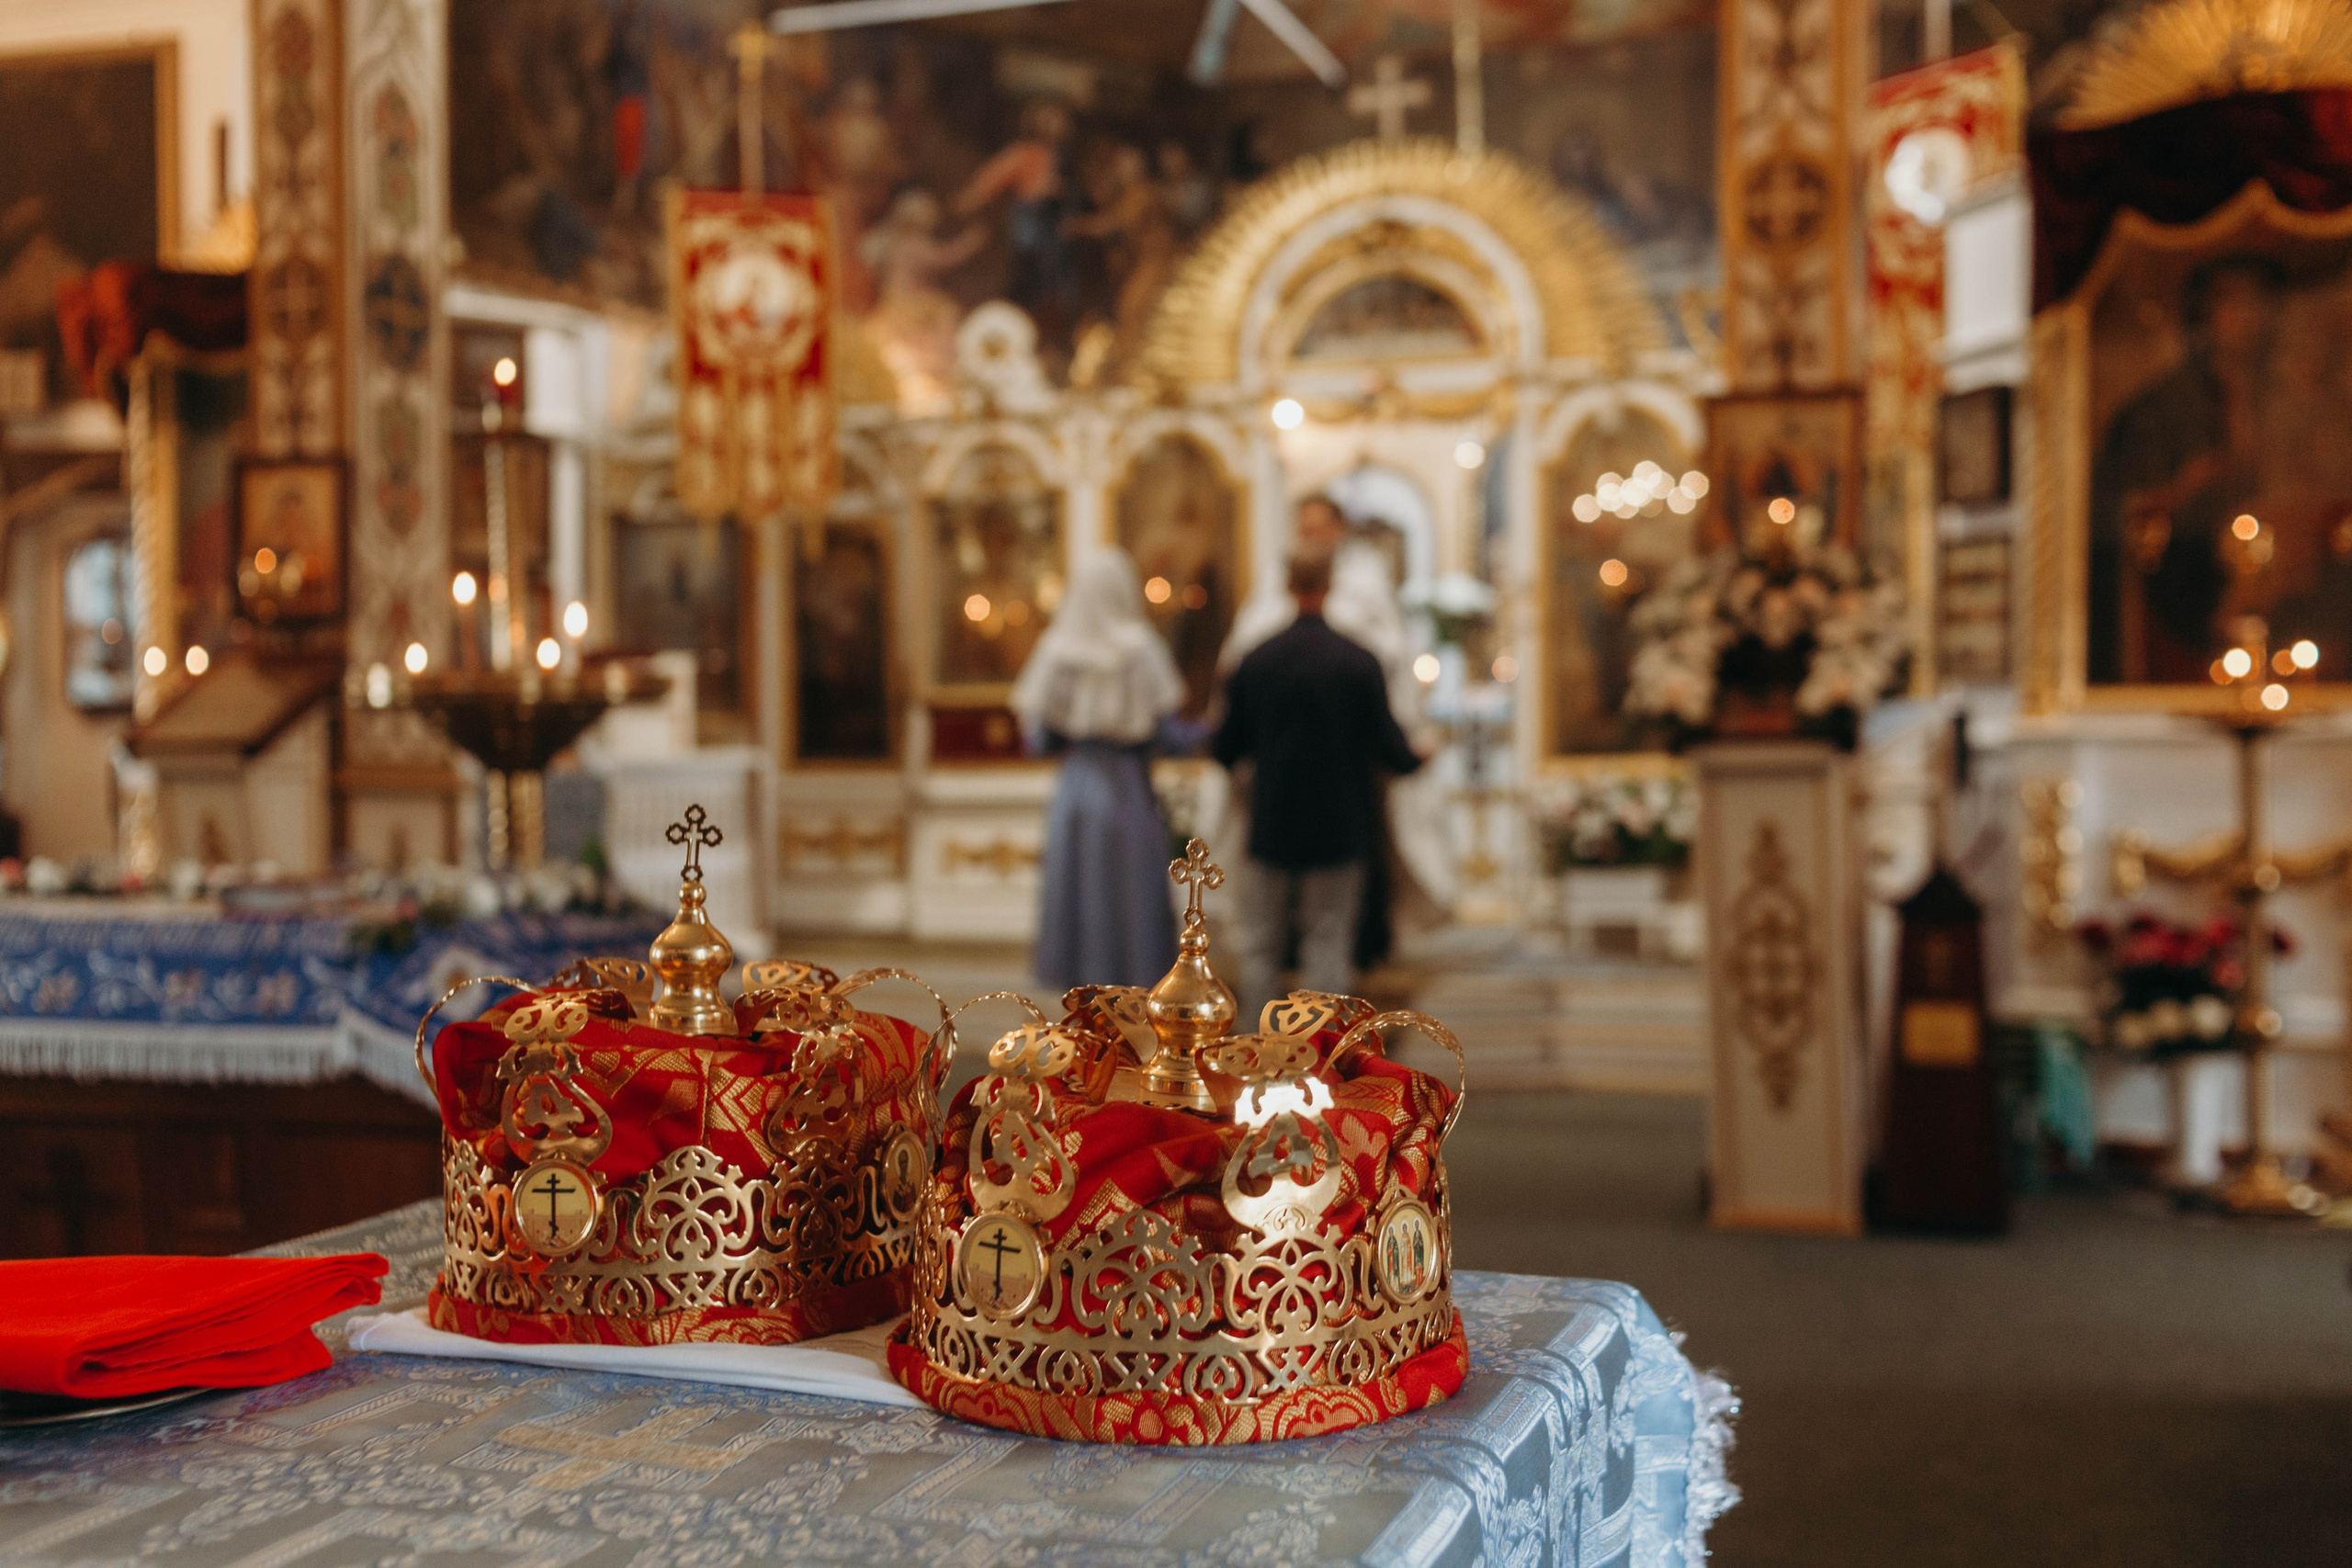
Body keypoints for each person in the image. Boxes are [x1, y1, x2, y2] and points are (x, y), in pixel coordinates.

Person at [1214, 547, 1424, 1024]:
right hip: (1339, 821)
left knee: (1263, 941)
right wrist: (1419, 757)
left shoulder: (1257, 660)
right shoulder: (1357, 661)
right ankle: (1323, 1050)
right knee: (1329, 938)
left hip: (1271, 819)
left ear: (1288, 587)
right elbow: (1391, 748)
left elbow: (1226, 749)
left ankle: (1257, 1050)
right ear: (1329, 586)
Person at [1011, 547, 1188, 990]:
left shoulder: (1057, 649)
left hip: (1078, 786)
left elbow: (1038, 739)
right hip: (1128, 785)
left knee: (1081, 890)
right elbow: (1166, 728)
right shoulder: (1142, 648)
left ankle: (1083, 1003)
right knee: (1133, 894)